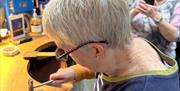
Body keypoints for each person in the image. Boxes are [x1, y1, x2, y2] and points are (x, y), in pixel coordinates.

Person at [42, 0, 179, 91]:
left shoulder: (145, 87)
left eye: (65, 51)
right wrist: (77, 72)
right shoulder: (128, 46)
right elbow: (106, 65)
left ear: (96, 50)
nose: (64, 55)